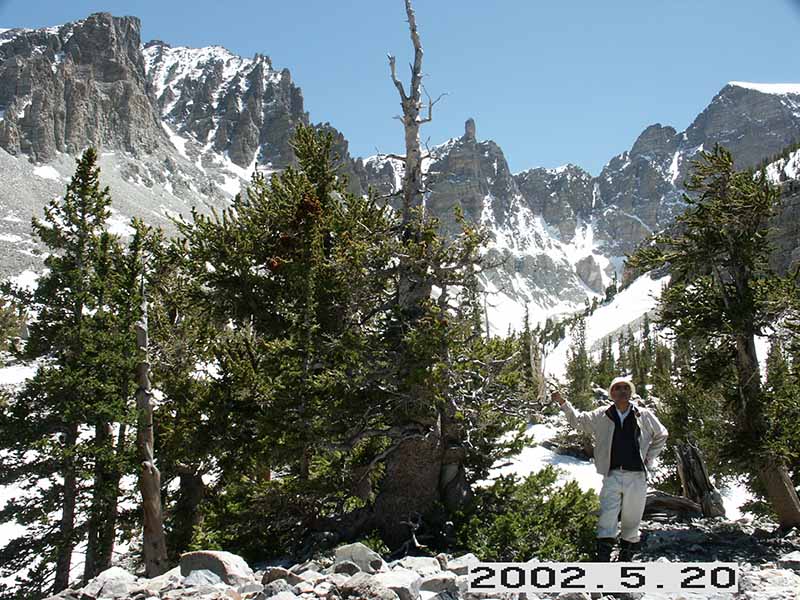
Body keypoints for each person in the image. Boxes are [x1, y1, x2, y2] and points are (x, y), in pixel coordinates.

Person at [552, 376, 668, 562]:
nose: (621, 391)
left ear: (631, 392)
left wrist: (649, 456)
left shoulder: (642, 414)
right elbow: (578, 421)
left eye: (625, 388)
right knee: (607, 516)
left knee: (632, 518)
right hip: (612, 472)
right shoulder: (602, 414)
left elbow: (661, 434)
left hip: (637, 474)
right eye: (617, 388)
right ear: (611, 393)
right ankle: (603, 559)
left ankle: (625, 560)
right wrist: (563, 403)